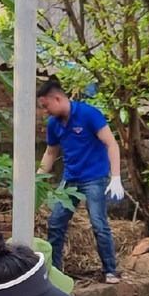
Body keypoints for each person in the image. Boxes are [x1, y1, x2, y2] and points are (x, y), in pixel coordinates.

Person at [38, 77, 125, 284]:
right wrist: (37, 180)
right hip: (70, 179)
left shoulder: (89, 114)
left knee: (98, 224)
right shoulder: (53, 124)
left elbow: (112, 144)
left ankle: (110, 270)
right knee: (56, 223)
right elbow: (50, 154)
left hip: (95, 178)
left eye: (46, 105)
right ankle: (55, 271)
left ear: (57, 99)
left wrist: (116, 177)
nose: (45, 111)